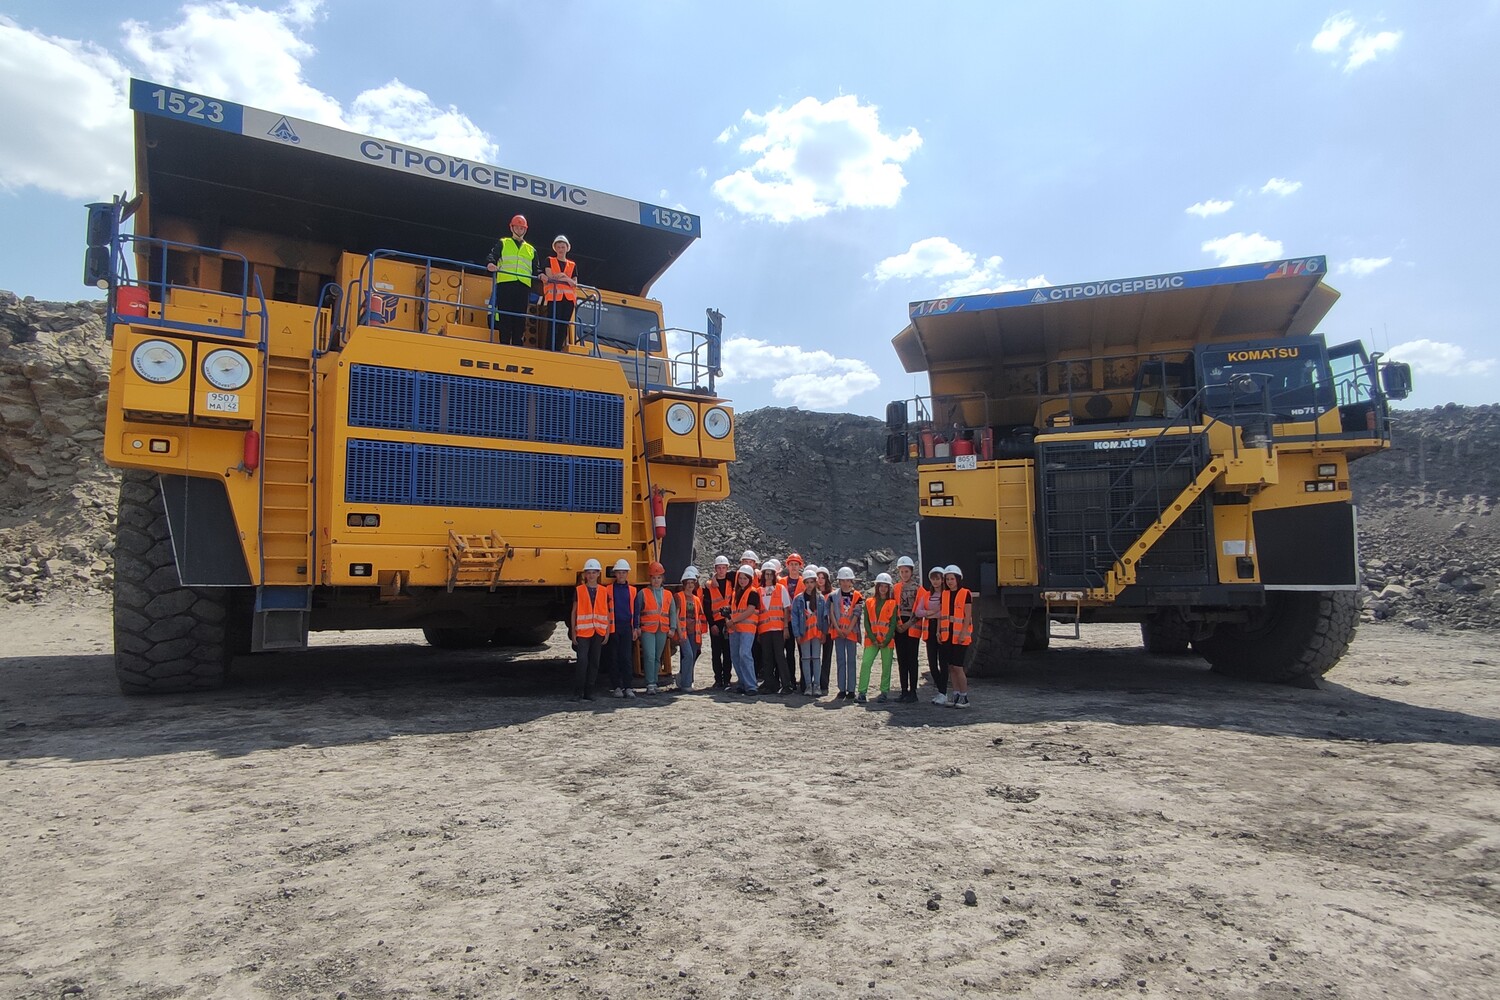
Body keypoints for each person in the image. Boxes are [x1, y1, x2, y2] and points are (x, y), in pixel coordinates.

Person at [485, 213, 537, 347]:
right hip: (506, 283)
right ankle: (504, 343)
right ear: (512, 228)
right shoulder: (503, 243)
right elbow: (493, 255)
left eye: (522, 228)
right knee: (505, 315)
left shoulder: (531, 250)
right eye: (517, 227)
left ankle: (517, 344)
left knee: (520, 317)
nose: (519, 230)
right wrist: (490, 263)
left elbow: (536, 269)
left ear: (525, 229)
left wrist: (542, 275)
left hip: (523, 286)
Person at [568, 558, 610, 700]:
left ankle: (589, 691)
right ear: (585, 575)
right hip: (583, 632)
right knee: (582, 661)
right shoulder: (579, 591)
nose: (591, 575)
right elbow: (574, 612)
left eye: (594, 572)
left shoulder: (604, 591)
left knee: (594, 662)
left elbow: (607, 612)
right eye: (589, 572)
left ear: (598, 574)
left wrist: (607, 631)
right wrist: (573, 631)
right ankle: (578, 691)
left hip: (598, 631)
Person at [938, 564, 975, 708]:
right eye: (947, 579)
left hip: (960, 637)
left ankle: (964, 697)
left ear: (958, 579)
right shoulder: (945, 594)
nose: (949, 581)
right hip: (947, 636)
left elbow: (967, 616)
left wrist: (963, 633)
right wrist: (939, 632)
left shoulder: (966, 593)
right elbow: (942, 615)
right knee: (951, 667)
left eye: (952, 579)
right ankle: (956, 694)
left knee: (958, 667)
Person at [857, 573, 898, 703]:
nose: (883, 589)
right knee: (865, 664)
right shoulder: (869, 602)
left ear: (889, 588)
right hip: (872, 640)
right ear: (877, 587)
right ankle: (862, 692)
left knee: (886, 667)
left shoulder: (893, 603)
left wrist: (886, 640)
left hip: (887, 641)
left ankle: (884, 692)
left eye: (886, 586)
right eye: (881, 586)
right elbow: (867, 622)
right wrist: (873, 638)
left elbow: (893, 624)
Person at [634, 561, 672, 695]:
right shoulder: (643, 593)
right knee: (649, 655)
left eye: (659, 577)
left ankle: (654, 681)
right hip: (647, 629)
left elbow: (672, 612)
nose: (656, 580)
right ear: (650, 578)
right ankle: (650, 682)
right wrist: (636, 627)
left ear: (662, 578)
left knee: (657, 656)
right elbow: (637, 611)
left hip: (662, 629)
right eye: (654, 578)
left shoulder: (668, 594)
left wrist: (672, 628)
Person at [756, 562, 793, 695]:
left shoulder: (780, 588)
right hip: (764, 630)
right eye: (767, 573)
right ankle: (769, 683)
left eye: (771, 574)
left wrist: (786, 628)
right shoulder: (759, 591)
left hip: (778, 629)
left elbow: (786, 609)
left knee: (779, 657)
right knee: (766, 658)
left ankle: (786, 684)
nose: (769, 576)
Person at [789, 567, 827, 697]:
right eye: (807, 582)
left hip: (817, 632)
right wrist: (797, 634)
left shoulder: (821, 599)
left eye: (812, 582)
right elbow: (794, 617)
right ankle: (808, 685)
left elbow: (824, 617)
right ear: (804, 583)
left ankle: (816, 685)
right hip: (804, 633)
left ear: (815, 583)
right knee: (805, 659)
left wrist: (824, 633)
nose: (809, 585)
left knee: (816, 658)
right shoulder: (798, 599)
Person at [602, 558, 637, 698]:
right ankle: (616, 686)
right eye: (619, 572)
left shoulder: (633, 591)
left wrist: (635, 628)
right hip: (613, 628)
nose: (621, 575)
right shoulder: (608, 590)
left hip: (627, 627)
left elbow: (636, 611)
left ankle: (628, 686)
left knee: (627, 658)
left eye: (623, 572)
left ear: (627, 574)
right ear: (615, 574)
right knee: (614, 657)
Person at [827, 567, 862, 701]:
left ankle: (851, 689)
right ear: (839, 581)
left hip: (851, 633)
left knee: (851, 661)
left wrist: (849, 629)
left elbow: (856, 614)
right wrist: (838, 628)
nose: (845, 583)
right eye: (843, 580)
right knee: (841, 660)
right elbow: (831, 613)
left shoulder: (858, 596)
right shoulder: (833, 596)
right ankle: (842, 689)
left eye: (848, 580)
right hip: (838, 633)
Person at [891, 556, 922, 702]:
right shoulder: (896, 588)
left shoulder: (918, 588)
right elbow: (892, 607)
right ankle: (904, 690)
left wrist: (908, 624)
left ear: (911, 571)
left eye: (906, 571)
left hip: (912, 626)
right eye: (902, 571)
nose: (904, 574)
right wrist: (898, 624)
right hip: (899, 626)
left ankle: (913, 692)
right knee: (902, 659)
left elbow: (920, 609)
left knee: (912, 659)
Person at [727, 565, 761, 695]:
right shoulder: (735, 593)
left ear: (750, 579)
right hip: (735, 629)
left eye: (745, 578)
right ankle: (742, 682)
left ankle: (751, 685)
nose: (742, 580)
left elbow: (750, 610)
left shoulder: (753, 592)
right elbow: (732, 610)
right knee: (735, 656)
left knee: (744, 654)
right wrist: (729, 621)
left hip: (747, 628)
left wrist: (733, 621)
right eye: (740, 578)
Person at [541, 234, 578, 352]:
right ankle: (549, 349)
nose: (561, 249)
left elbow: (574, 283)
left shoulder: (572, 265)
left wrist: (563, 277)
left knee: (563, 326)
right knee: (553, 325)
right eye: (559, 247)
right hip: (554, 298)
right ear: (555, 248)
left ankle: (557, 349)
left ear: (567, 248)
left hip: (568, 300)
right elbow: (550, 276)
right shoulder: (549, 260)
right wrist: (567, 278)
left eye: (563, 247)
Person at [919, 566, 948, 704]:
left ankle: (943, 692)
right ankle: (940, 689)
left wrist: (934, 613)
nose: (935, 582)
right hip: (929, 631)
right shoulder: (927, 595)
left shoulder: (947, 595)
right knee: (932, 663)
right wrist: (932, 613)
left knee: (943, 662)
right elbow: (918, 612)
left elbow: (945, 612)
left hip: (943, 631)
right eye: (933, 579)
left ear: (942, 580)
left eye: (938, 579)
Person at [676, 565, 707, 692]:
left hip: (694, 633)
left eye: (692, 582)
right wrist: (678, 631)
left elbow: (699, 617)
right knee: (688, 655)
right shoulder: (678, 596)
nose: (690, 585)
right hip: (683, 632)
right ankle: (686, 684)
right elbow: (676, 615)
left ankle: (687, 680)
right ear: (684, 584)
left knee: (692, 656)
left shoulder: (696, 599)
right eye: (688, 583)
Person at [706, 555, 735, 688]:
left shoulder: (731, 582)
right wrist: (711, 624)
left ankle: (727, 679)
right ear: (715, 569)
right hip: (716, 623)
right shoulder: (709, 586)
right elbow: (706, 607)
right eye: (719, 568)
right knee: (716, 652)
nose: (721, 570)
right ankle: (718, 679)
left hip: (729, 622)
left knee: (728, 652)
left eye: (724, 568)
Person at [780, 552, 806, 688]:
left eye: (796, 564)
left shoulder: (805, 582)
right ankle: (790, 680)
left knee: (803, 652)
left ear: (800, 566)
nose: (794, 567)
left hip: (801, 622)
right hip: (786, 622)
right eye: (792, 564)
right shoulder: (781, 582)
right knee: (789, 652)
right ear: (788, 566)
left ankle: (804, 681)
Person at [815, 566, 834, 695]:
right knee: (814, 657)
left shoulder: (832, 595)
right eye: (818, 578)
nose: (820, 580)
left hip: (828, 630)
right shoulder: (812, 594)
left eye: (823, 578)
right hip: (815, 630)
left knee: (826, 657)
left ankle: (824, 684)